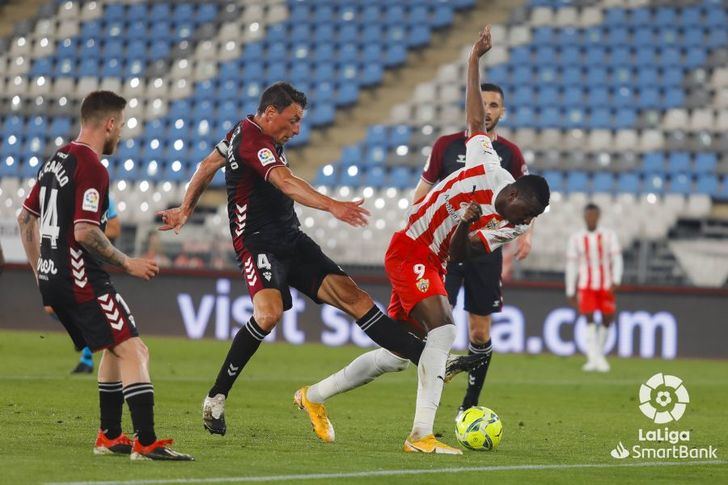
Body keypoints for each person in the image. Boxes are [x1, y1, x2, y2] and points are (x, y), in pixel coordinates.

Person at [156, 82, 484, 438]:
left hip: (291, 240)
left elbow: (207, 164)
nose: (297, 129)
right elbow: (285, 181)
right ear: (269, 113)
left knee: (356, 299)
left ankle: (430, 360)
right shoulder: (252, 139)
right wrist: (333, 206)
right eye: (293, 120)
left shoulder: (244, 130)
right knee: (268, 315)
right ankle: (216, 397)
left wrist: (185, 209)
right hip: (257, 244)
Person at [297, 25, 550, 454]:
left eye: (529, 218)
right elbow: (474, 120)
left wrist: (469, 226)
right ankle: (421, 435)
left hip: (438, 260)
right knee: (446, 331)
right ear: (514, 192)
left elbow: (465, 252)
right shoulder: (490, 166)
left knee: (396, 355)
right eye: (523, 211)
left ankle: (313, 397)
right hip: (410, 246)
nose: (522, 221)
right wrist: (474, 59)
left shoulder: (515, 224)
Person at [17, 90, 192, 460]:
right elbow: (84, 232)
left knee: (114, 345)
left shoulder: (56, 160)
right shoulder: (92, 167)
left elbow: (25, 219)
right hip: (82, 277)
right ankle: (145, 442)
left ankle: (111, 436)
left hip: (56, 276)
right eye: (122, 125)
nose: (122, 133)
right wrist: (128, 262)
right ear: (109, 123)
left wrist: (40, 276)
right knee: (134, 347)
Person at [411, 82, 533, 414]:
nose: (489, 110)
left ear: (503, 111)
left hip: (484, 253)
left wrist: (525, 235)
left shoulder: (511, 153)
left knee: (479, 332)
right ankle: (430, 400)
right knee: (438, 327)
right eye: (485, 104)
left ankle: (470, 404)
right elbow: (421, 194)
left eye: (495, 105)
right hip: (446, 251)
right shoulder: (446, 147)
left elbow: (527, 203)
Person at [565, 203, 623, 372]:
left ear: (598, 216)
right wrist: (570, 289)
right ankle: (593, 358)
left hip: (605, 285)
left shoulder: (609, 236)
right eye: (588, 215)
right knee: (589, 319)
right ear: (584, 216)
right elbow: (571, 265)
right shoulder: (576, 238)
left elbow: (617, 259)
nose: (591, 218)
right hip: (586, 285)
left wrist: (617, 279)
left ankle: (599, 355)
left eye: (594, 215)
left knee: (607, 319)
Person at [71, 195, 120, 374]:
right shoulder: (66, 191)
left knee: (85, 308)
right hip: (68, 259)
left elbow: (115, 229)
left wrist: (87, 233)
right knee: (56, 308)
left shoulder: (100, 196)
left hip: (89, 262)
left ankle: (88, 357)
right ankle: (90, 343)